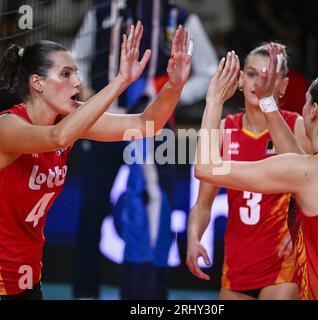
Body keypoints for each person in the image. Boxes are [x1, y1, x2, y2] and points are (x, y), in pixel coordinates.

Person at [0, 21, 192, 300]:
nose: (77, 83)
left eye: (76, 73)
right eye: (66, 74)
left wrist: (175, 85)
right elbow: (58, 137)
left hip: (28, 278)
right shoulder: (4, 128)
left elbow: (146, 123)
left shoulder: (68, 120)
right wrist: (120, 81)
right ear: (37, 83)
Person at [195, 47, 318, 300]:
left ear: (314, 111)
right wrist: (267, 102)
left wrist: (215, 100)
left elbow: (205, 168)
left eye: (306, 101)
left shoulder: (307, 171)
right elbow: (298, 160)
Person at [71, 0, 218, 300]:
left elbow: (208, 71)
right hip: (103, 122)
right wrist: (90, 99)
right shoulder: (100, 15)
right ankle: (86, 292)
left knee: (158, 206)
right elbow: (75, 65)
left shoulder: (180, 18)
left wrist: (168, 93)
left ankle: (154, 294)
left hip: (154, 126)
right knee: (92, 209)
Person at [186, 43, 310, 300]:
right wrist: (193, 238)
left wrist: (302, 230)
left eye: (268, 77)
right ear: (240, 79)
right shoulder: (223, 129)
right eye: (252, 74)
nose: (258, 83)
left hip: (283, 262)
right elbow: (203, 204)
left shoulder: (296, 126)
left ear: (283, 86)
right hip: (238, 265)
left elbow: (315, 189)